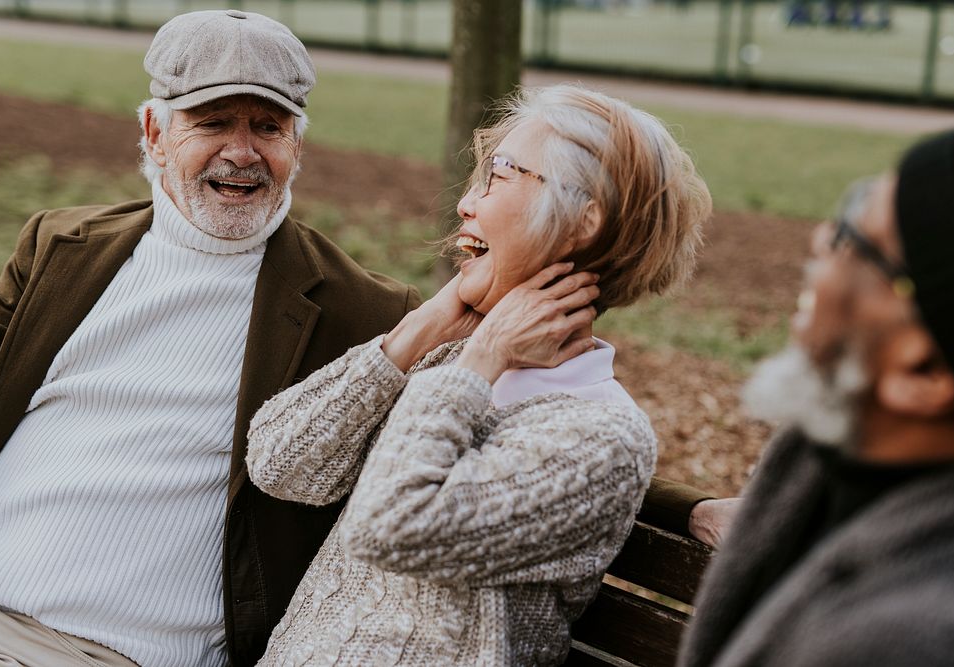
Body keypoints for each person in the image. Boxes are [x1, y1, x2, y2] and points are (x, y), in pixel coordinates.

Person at [0, 10, 418, 667]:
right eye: (212, 123)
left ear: (297, 144)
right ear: (155, 133)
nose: (242, 152)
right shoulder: (59, 247)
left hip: (94, 650)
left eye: (267, 126)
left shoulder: (367, 314)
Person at [245, 83, 712, 666]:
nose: (467, 203)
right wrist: (420, 330)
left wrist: (482, 359)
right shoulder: (444, 359)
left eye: (501, 174)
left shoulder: (599, 438)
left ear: (583, 221)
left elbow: (389, 527)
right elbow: (281, 464)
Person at [678, 127, 954, 667]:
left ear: (924, 371)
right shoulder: (829, 456)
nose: (820, 239)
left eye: (854, 242)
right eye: (852, 204)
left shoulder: (916, 641)